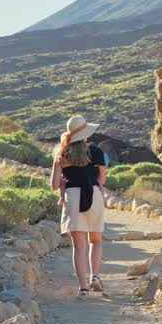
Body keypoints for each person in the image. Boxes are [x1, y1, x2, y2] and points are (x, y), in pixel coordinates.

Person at [50, 115, 107, 298]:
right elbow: (102, 179)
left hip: (72, 197)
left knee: (79, 245)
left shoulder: (61, 152)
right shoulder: (95, 152)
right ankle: (95, 277)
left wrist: (63, 178)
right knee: (96, 240)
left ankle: (83, 288)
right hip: (93, 194)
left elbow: (54, 185)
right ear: (85, 133)